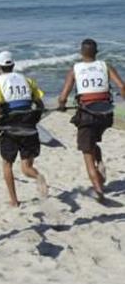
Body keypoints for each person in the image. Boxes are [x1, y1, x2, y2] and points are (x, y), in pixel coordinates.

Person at [58, 39, 125, 202]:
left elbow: (63, 95)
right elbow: (122, 87)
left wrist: (61, 105)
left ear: (81, 53)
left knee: (87, 153)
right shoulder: (105, 66)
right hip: (106, 114)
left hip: (87, 114)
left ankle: (98, 189)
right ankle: (100, 162)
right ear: (97, 52)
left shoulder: (75, 69)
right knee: (92, 142)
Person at [0, 51, 48, 207]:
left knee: (7, 164)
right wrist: (35, 118)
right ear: (13, 65)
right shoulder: (27, 80)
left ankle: (14, 201)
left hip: (10, 129)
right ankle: (39, 177)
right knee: (26, 168)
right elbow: (40, 105)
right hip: (29, 127)